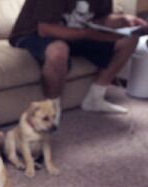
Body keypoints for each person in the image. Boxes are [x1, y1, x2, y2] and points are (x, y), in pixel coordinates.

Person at [9, 0, 148, 125]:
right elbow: (45, 29)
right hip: (32, 33)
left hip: (77, 32)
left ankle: (95, 97)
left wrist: (122, 20)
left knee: (129, 39)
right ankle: (51, 108)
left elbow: (99, 19)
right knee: (58, 50)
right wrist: (90, 34)